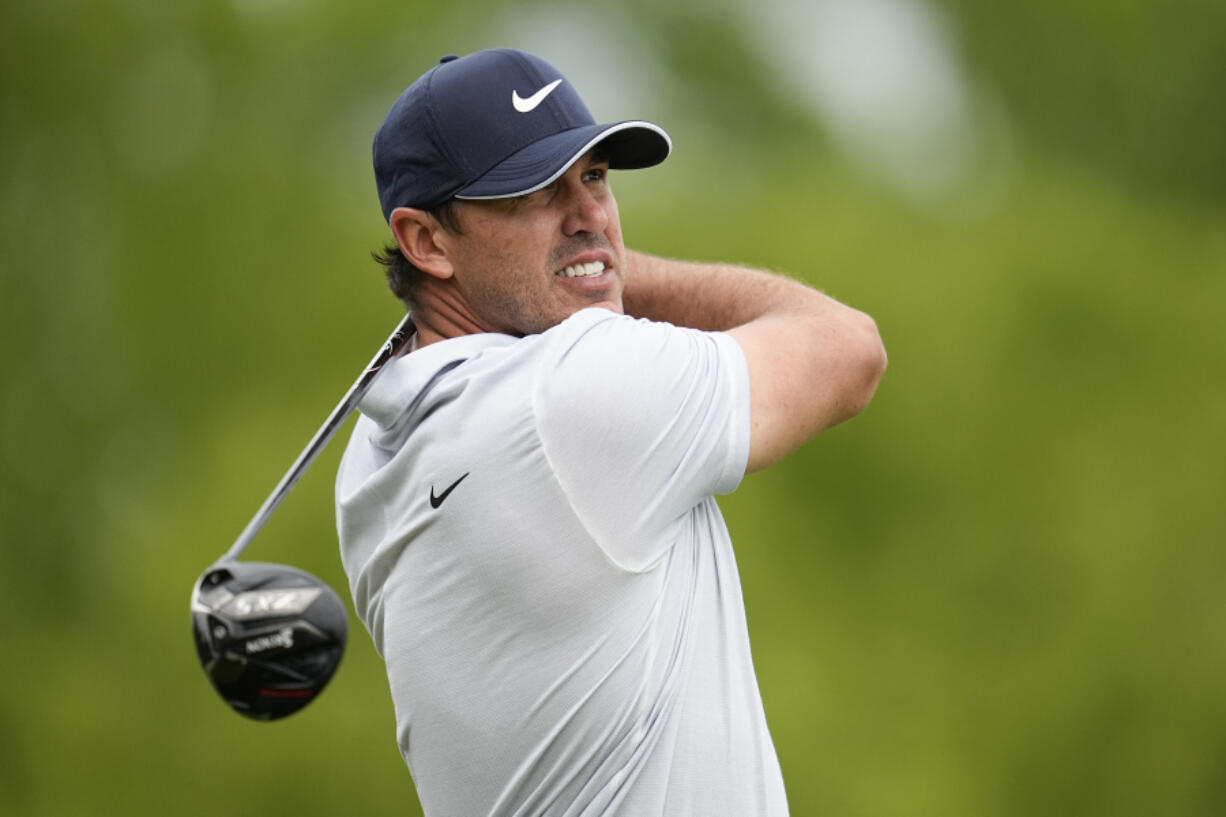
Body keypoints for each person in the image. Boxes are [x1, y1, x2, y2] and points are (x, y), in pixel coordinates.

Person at [335, 48, 886, 816]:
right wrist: (610, 270)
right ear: (427, 242)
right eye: (531, 190)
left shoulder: (372, 455)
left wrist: (580, 268)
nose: (589, 213)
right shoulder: (570, 394)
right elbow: (849, 348)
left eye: (592, 177)